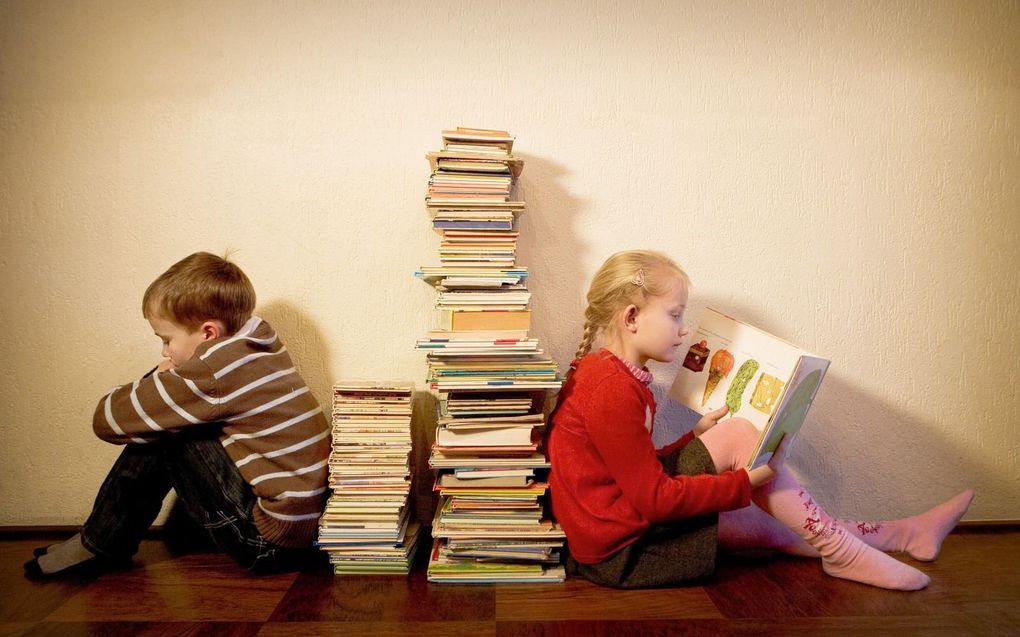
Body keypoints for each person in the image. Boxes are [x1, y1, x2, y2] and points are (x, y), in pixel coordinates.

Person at [547, 249, 973, 590]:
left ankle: (901, 533)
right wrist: (743, 483)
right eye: (675, 314)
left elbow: (625, 470)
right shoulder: (611, 389)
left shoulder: (614, 376)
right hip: (624, 552)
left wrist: (689, 439)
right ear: (632, 317)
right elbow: (652, 498)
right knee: (742, 437)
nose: (682, 329)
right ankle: (843, 552)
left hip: (617, 531)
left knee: (773, 525)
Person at [25, 252, 330, 577]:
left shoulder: (214, 372)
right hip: (301, 532)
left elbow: (106, 421)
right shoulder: (258, 344)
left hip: (267, 543)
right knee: (168, 417)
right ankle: (101, 540)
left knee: (168, 430)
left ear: (209, 333)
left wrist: (158, 378)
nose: (164, 351)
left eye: (166, 339)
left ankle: (100, 543)